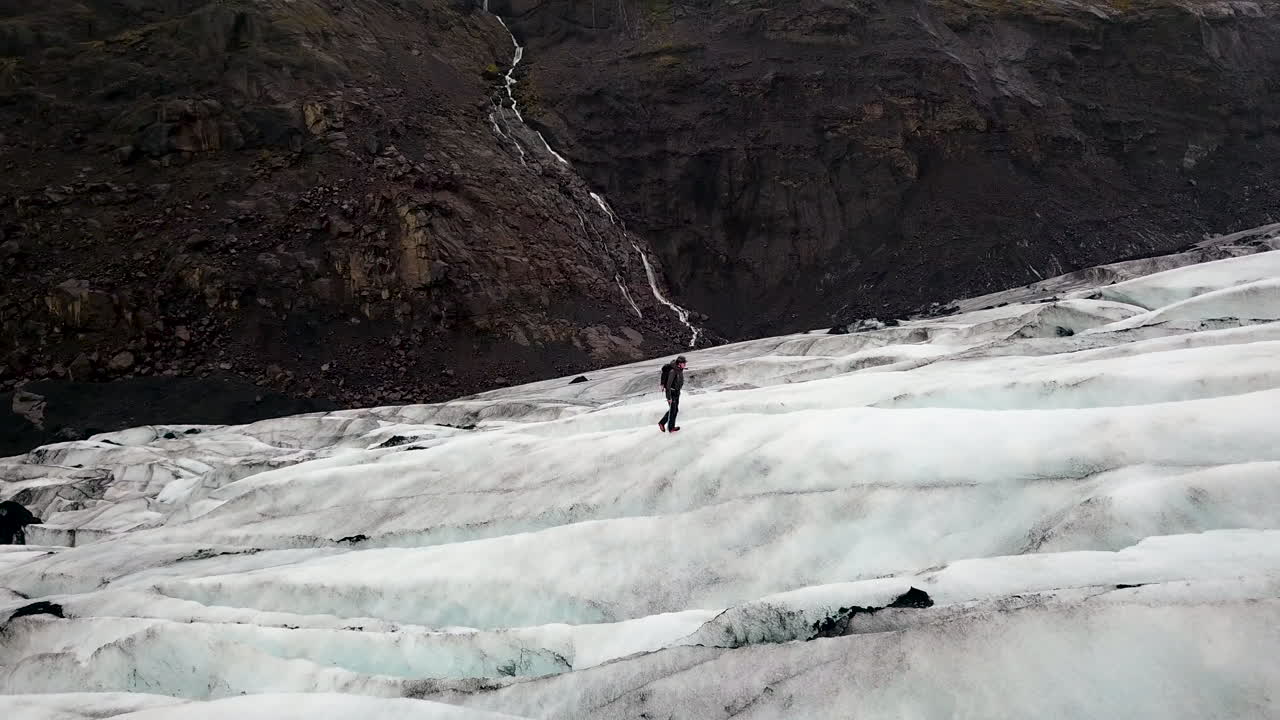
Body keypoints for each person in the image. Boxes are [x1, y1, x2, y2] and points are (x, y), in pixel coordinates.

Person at [659, 355, 687, 433]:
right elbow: (668, 386)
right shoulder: (673, 371)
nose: (685, 364)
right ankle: (666, 425)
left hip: (677, 392)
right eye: (684, 363)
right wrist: (669, 398)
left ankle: (668, 425)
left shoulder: (679, 369)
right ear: (679, 363)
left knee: (675, 410)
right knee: (673, 410)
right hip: (672, 393)